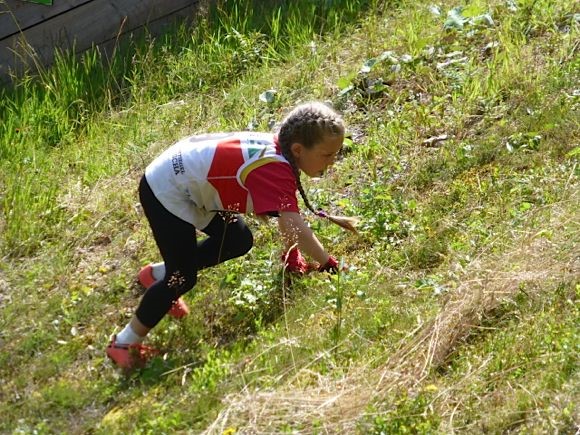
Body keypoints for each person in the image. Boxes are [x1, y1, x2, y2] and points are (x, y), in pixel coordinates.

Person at [106, 101, 357, 369]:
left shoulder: (281, 149)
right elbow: (295, 225)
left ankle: (155, 275)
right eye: (327, 154)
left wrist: (291, 253)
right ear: (298, 149)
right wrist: (329, 264)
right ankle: (123, 343)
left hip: (185, 181)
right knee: (181, 277)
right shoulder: (275, 168)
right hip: (166, 191)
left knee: (237, 239)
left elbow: (287, 221)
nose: (333, 161)